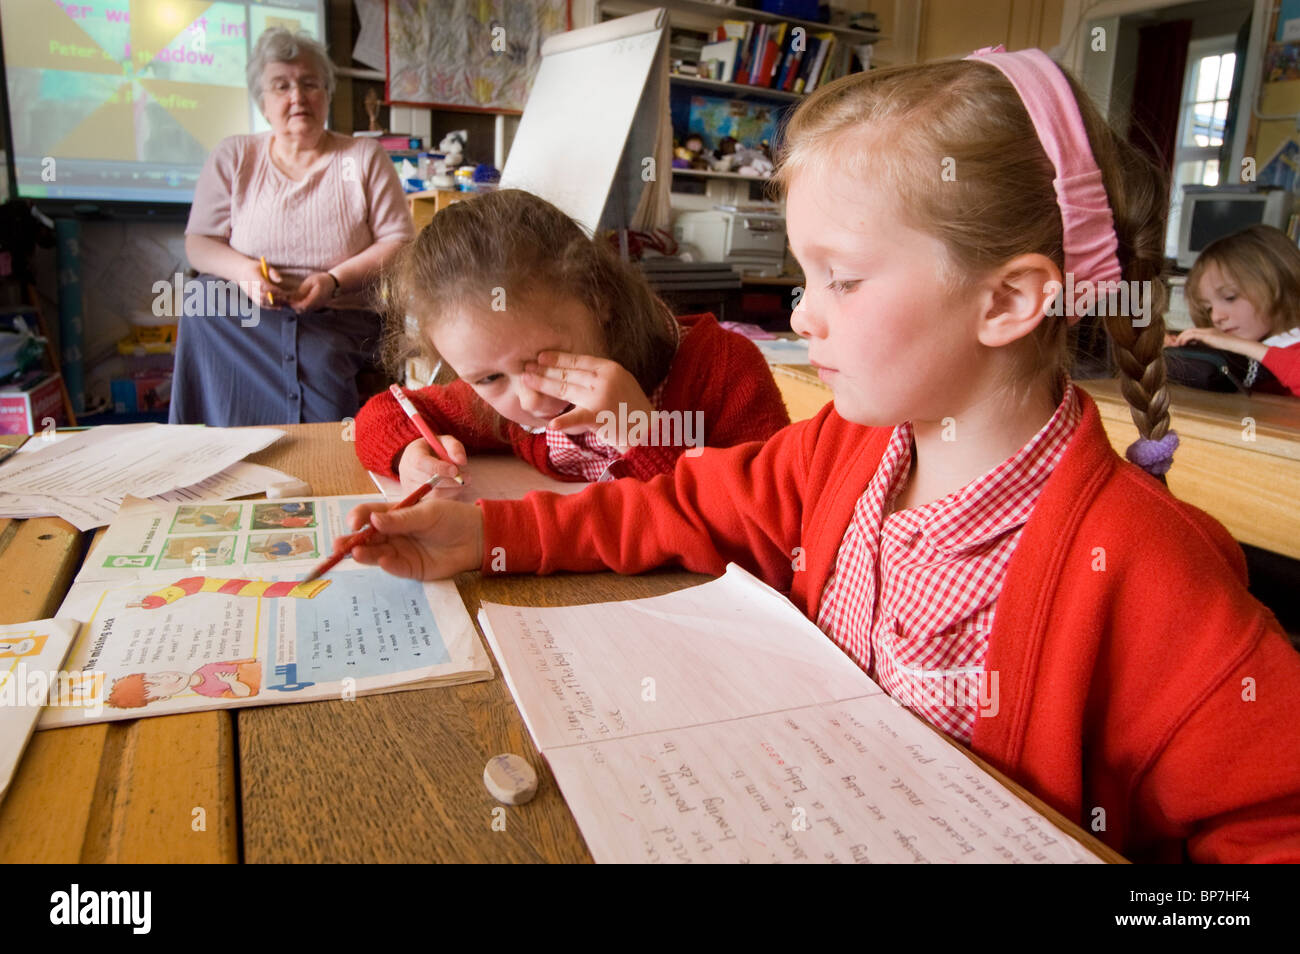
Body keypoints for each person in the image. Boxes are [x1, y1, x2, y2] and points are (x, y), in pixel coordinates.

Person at [342, 49, 1300, 863]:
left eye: (841, 278)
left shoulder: (1151, 578)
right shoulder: (839, 455)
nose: (802, 316)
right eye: (805, 276)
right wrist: (482, 535)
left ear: (1008, 301)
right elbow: (668, 508)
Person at [353, 189, 789, 491]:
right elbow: (386, 413)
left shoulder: (724, 372)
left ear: (597, 297)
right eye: (487, 378)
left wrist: (644, 433)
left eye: (547, 359)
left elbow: (768, 521)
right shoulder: (498, 401)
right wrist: (410, 456)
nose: (529, 399)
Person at [175, 27, 415, 425]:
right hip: (250, 314)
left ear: (327, 92)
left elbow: (399, 242)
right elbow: (199, 242)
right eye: (281, 86)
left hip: (338, 314)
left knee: (319, 357)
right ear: (263, 102)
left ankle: (321, 467)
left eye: (309, 84)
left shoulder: (364, 156)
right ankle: (209, 448)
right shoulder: (234, 155)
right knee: (201, 298)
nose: (297, 97)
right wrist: (246, 275)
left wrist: (333, 281)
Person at [1172, 224, 1300, 396]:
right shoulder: (1249, 352)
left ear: (1278, 282)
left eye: (1230, 297)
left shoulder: (1291, 348)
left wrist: (1244, 346)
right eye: (1208, 308)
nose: (1216, 317)